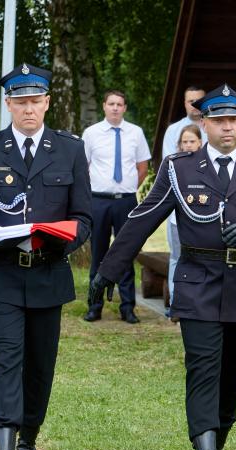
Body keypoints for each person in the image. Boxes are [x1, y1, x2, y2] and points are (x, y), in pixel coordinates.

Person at [89, 84, 236, 450]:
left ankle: (218, 444)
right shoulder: (180, 168)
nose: (227, 127)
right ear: (204, 124)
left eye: (234, 120)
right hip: (198, 282)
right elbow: (143, 217)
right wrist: (108, 270)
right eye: (218, 121)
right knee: (203, 367)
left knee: (232, 375)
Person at [0, 63, 91, 450]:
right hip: (1, 273)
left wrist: (63, 240)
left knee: (39, 366)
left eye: (36, 100)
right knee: (6, 360)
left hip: (48, 273)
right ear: (9, 104)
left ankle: (28, 443)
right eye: (21, 102)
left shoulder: (69, 149)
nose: (29, 108)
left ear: (47, 102)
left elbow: (84, 216)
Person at [82, 89, 150, 324]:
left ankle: (128, 307)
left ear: (124, 108)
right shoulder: (91, 133)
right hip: (99, 201)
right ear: (104, 106)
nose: (115, 108)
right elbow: (83, 166)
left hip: (126, 202)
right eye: (111, 103)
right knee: (98, 254)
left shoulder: (135, 133)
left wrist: (127, 188)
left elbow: (142, 167)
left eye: (119, 104)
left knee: (126, 253)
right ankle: (94, 306)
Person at [166, 124, 204, 321]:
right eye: (185, 142)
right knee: (176, 258)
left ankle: (196, 302)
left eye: (192, 141)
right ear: (180, 144)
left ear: (200, 143)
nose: (188, 145)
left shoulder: (208, 165)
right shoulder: (173, 165)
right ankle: (175, 302)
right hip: (177, 220)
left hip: (200, 221)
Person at [161, 85, 207, 159]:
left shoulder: (216, 128)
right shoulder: (172, 130)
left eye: (198, 101)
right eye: (191, 101)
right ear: (185, 103)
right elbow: (169, 162)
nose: (195, 105)